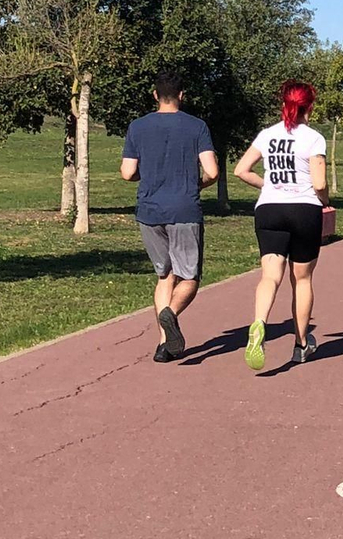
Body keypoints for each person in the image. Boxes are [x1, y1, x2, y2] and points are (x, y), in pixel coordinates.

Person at [121, 70, 219, 362]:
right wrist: (195, 183)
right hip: (184, 210)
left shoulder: (138, 127)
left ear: (155, 95)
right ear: (181, 95)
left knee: (165, 276)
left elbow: (127, 172)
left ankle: (165, 345)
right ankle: (170, 314)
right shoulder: (197, 126)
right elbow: (212, 171)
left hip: (149, 211)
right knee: (189, 278)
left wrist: (148, 176)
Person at [234, 80, 329, 370]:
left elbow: (241, 170)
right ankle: (301, 345)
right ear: (309, 106)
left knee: (269, 275)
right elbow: (320, 183)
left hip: (269, 210)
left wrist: (270, 186)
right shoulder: (313, 138)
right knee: (301, 279)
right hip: (304, 210)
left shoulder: (267, 134)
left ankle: (259, 323)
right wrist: (324, 201)